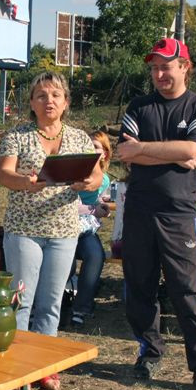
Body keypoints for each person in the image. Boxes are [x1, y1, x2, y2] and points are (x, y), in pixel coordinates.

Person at [117, 38, 196, 390]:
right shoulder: (139, 106)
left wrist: (147, 148)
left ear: (184, 67)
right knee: (140, 287)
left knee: (188, 289)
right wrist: (173, 154)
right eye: (154, 68)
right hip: (139, 211)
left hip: (178, 213)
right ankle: (149, 351)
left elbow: (192, 149)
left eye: (167, 66)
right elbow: (125, 154)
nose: (160, 73)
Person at [0, 71, 103, 390]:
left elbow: (97, 176)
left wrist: (89, 182)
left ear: (66, 102)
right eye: (41, 95)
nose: (49, 101)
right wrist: (24, 183)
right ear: (31, 102)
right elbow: (4, 174)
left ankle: (44, 365)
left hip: (64, 231)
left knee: (51, 302)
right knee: (23, 300)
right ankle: (16, 366)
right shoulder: (17, 135)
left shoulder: (80, 138)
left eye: (55, 95)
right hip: (24, 229)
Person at [69, 130, 112, 326]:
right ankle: (63, 301)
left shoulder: (105, 180)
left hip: (85, 229)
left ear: (105, 153)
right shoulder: (73, 173)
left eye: (95, 147)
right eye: (88, 147)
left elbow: (99, 205)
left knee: (96, 256)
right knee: (66, 258)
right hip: (65, 225)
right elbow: (72, 206)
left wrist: (104, 208)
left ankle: (82, 307)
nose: (91, 151)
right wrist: (95, 209)